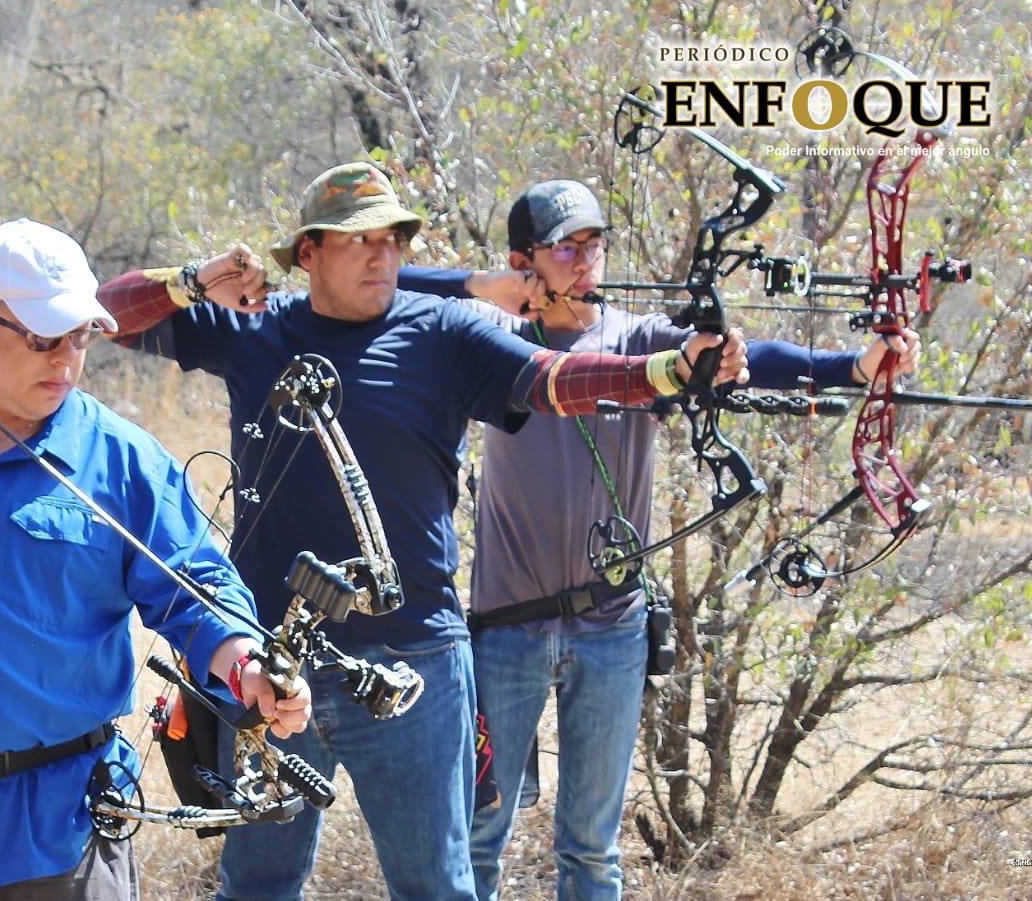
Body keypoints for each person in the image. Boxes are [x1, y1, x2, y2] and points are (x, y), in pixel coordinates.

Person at [95, 161, 749, 901]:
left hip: (416, 665)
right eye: (357, 240)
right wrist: (192, 279)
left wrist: (668, 371)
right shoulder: (256, 328)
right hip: (275, 661)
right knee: (257, 885)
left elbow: (554, 379)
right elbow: (104, 313)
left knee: (438, 887)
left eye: (393, 239)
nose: (382, 255)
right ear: (307, 252)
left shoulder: (441, 332)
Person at [394, 179, 922, 900]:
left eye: (595, 244)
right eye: (566, 248)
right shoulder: (491, 341)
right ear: (525, 261)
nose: (586, 261)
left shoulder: (640, 341)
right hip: (506, 632)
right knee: (477, 836)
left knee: (590, 848)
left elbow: (742, 357)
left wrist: (854, 369)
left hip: (611, 632)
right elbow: (385, 284)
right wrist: (479, 284)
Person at [0, 219, 312, 900]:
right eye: (43, 339)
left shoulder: (122, 459)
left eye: (80, 337)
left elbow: (198, 592)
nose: (66, 361)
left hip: (62, 839)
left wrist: (247, 664)